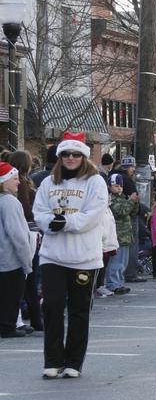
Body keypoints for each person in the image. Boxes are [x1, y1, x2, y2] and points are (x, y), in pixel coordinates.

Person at [32, 131, 109, 378]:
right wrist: (48, 222)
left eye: (76, 154)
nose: (71, 158)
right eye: (66, 154)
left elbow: (93, 214)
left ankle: (74, 362)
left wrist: (65, 221)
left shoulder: (95, 181)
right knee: (52, 306)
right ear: (60, 156)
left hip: (84, 257)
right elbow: (39, 211)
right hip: (53, 255)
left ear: (84, 156)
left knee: (79, 310)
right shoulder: (48, 183)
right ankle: (53, 361)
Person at [8, 150, 41, 331]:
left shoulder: (23, 182)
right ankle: (24, 317)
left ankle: (32, 316)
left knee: (29, 279)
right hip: (28, 232)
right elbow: (25, 210)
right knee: (28, 277)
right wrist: (41, 212)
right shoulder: (19, 185)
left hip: (31, 232)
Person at [0, 162, 34, 338]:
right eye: (14, 179)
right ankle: (8, 327)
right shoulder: (10, 202)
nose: (18, 182)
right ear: (3, 181)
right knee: (11, 296)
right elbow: (18, 236)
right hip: (10, 261)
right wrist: (27, 262)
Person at [106, 174, 135, 295]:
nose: (119, 188)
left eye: (121, 186)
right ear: (109, 186)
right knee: (116, 262)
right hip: (117, 235)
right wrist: (131, 201)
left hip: (126, 235)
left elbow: (132, 212)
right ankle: (113, 284)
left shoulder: (123, 198)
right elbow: (121, 211)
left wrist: (135, 202)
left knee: (123, 262)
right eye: (116, 186)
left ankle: (119, 282)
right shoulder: (110, 199)